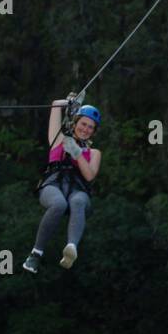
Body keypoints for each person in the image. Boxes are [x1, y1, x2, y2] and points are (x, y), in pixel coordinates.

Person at [23, 94, 102, 274]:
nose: (86, 129)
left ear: (94, 131)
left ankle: (71, 247)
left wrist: (77, 153)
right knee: (59, 203)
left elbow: (89, 176)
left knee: (78, 202)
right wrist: (69, 103)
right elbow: (55, 105)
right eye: (83, 124)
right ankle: (35, 255)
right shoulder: (59, 139)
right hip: (54, 184)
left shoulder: (94, 152)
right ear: (75, 123)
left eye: (91, 127)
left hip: (78, 189)